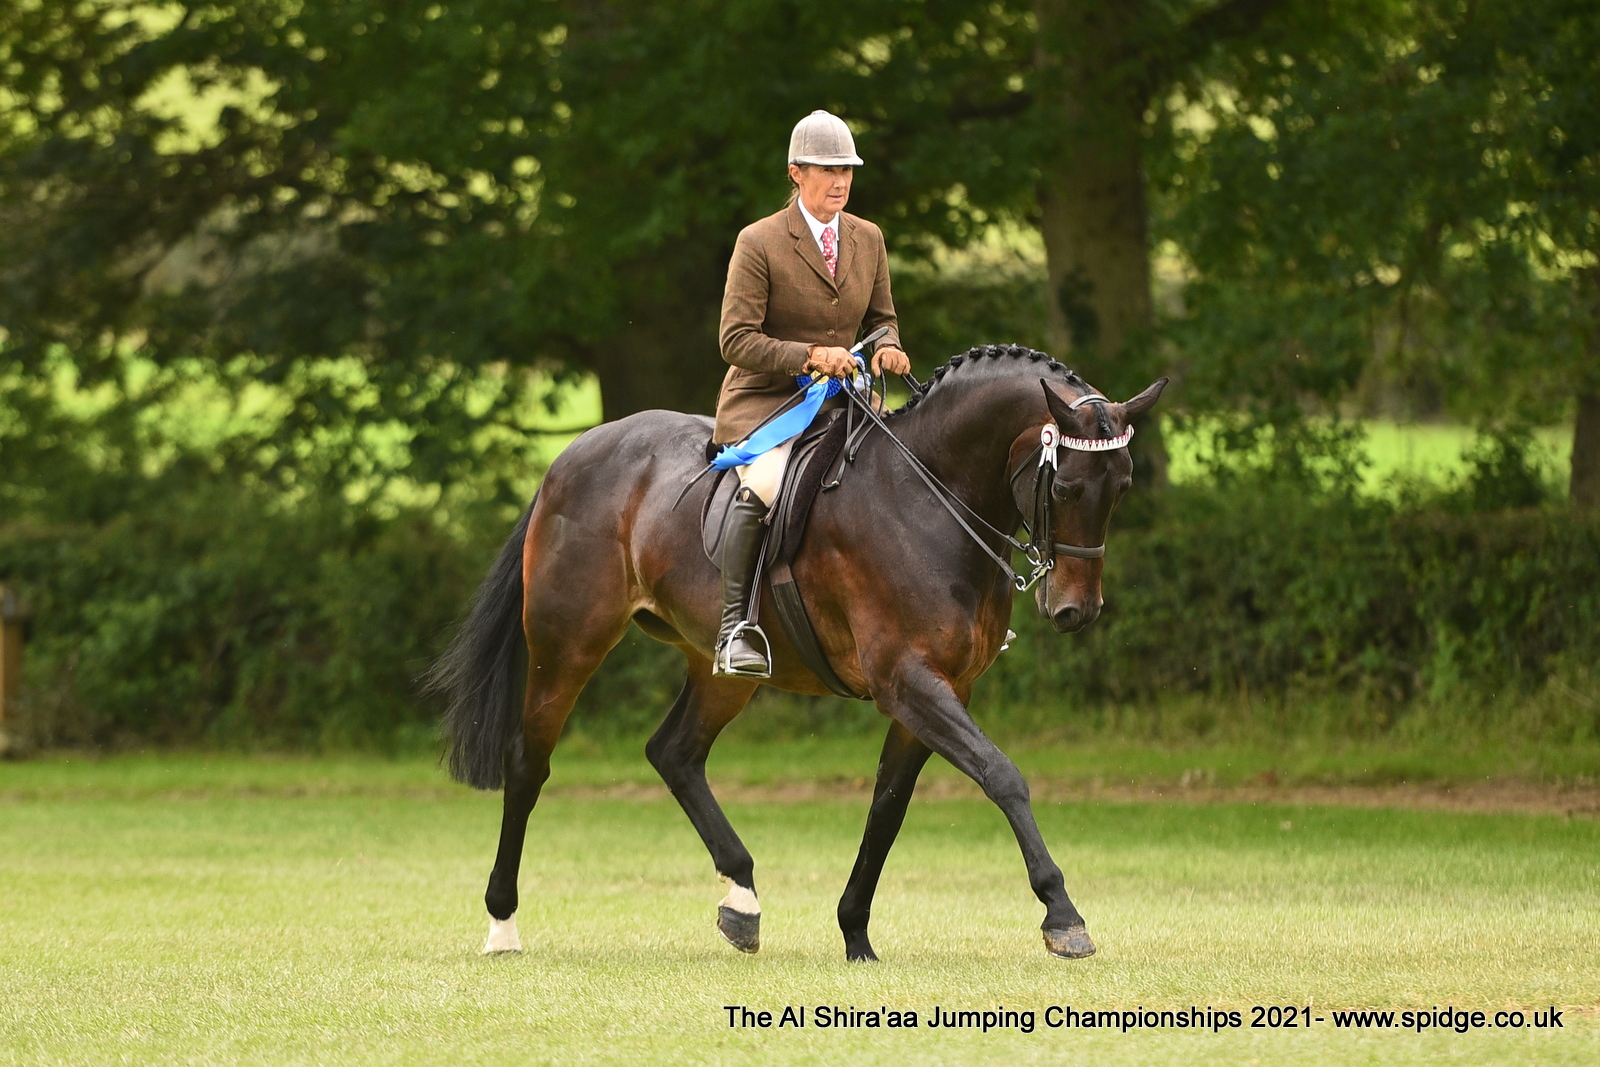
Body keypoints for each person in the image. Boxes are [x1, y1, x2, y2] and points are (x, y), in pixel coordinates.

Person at [711, 110, 912, 677]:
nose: (840, 181)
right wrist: (811, 356)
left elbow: (882, 319)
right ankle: (734, 629)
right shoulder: (759, 241)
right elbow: (735, 340)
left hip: (845, 398)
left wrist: (888, 347)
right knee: (766, 483)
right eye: (828, 169)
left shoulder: (868, 238)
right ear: (796, 173)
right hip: (769, 401)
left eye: (846, 169)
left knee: (912, 468)